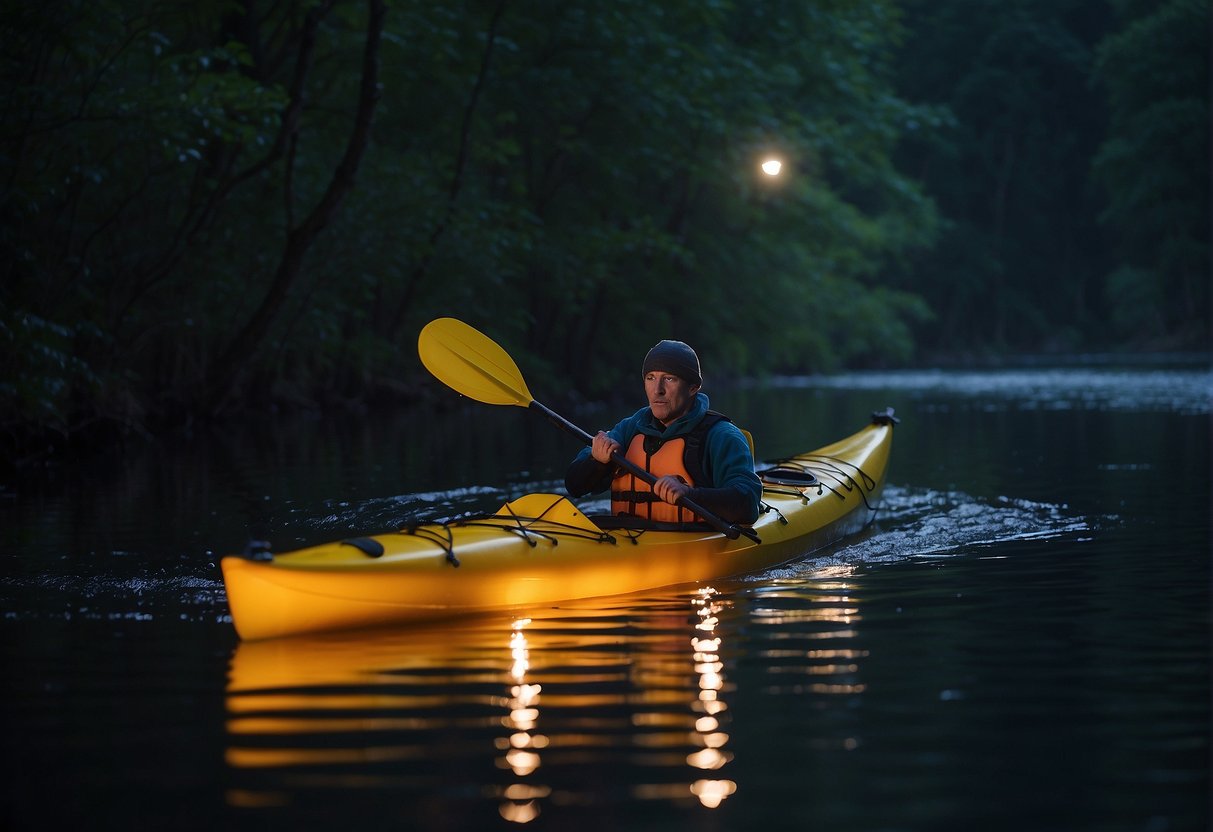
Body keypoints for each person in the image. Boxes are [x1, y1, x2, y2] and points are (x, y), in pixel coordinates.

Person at [565, 339, 761, 526]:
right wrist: (596, 461)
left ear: (693, 387)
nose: (657, 390)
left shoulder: (722, 436)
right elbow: (574, 487)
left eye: (669, 379)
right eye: (650, 378)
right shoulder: (629, 428)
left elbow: (749, 504)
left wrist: (690, 494)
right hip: (628, 538)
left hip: (692, 543)